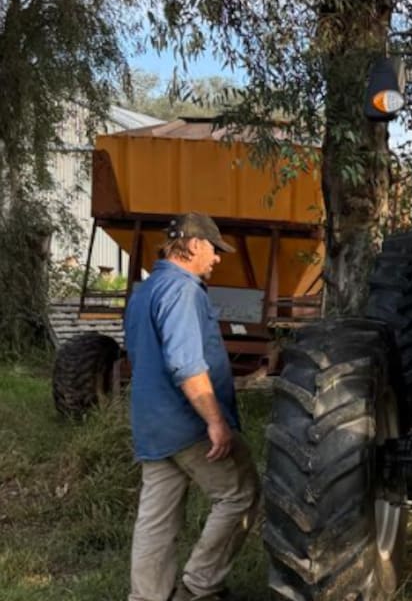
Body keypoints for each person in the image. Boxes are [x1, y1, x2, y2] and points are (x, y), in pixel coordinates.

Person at [125, 212, 260, 601]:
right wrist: (215, 422)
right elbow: (185, 363)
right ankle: (200, 586)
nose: (217, 258)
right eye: (215, 250)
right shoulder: (183, 290)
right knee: (240, 494)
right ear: (196, 245)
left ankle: (147, 597)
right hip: (188, 424)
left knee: (156, 517)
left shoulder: (145, 291)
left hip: (151, 423)